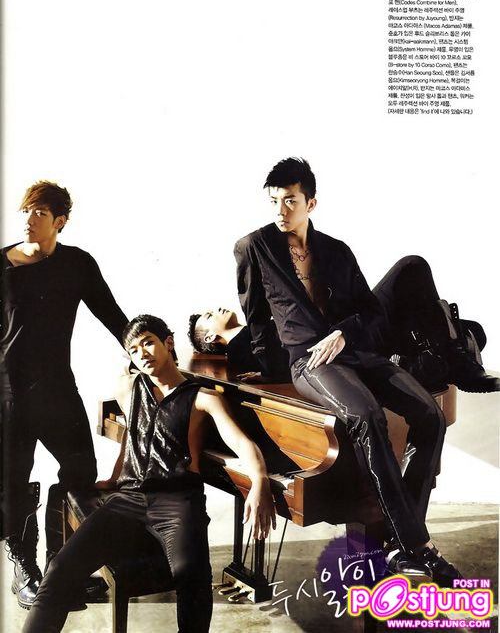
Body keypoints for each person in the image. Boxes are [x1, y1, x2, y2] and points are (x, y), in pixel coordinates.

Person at [233, 157, 472, 587]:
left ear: (311, 203)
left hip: (356, 352)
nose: (281, 211)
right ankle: (416, 545)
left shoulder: (337, 251)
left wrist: (344, 333)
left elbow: (372, 312)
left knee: (430, 415)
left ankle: (403, 541)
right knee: (366, 415)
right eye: (274, 201)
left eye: (290, 201)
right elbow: (256, 318)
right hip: (310, 361)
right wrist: (267, 369)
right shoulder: (255, 246)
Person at [23, 314, 275, 633]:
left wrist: (260, 481)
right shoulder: (128, 387)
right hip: (128, 499)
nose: (141, 353)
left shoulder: (203, 397)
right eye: (133, 350)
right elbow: (131, 434)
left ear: (168, 343)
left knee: (192, 576)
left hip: (177, 503)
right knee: (60, 567)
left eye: (148, 343)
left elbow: (242, 443)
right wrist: (114, 476)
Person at [1, 182, 128, 608]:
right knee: (12, 482)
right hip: (8, 392)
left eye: (39, 213)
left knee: (80, 470)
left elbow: (112, 315)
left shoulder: (77, 264)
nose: (29, 219)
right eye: (26, 211)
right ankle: (24, 570)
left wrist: (147, 352)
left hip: (56, 387)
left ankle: (63, 568)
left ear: (60, 221)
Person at [188, 258, 499, 393]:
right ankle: (454, 361)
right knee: (411, 267)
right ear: (212, 337)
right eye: (209, 316)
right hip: (352, 340)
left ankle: (442, 358)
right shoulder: (242, 349)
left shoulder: (252, 333)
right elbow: (285, 359)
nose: (216, 309)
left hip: (350, 330)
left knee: (472, 330)